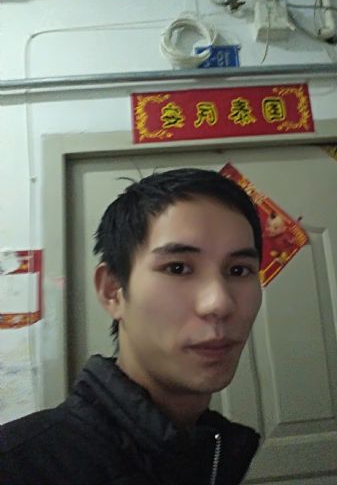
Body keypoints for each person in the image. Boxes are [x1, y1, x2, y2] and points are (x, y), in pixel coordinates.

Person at [0, 168, 263, 485]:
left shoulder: (216, 454)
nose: (219, 303)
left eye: (239, 270)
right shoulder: (18, 465)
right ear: (112, 290)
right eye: (177, 268)